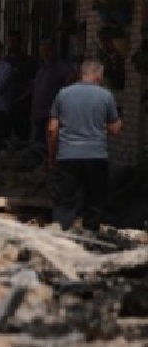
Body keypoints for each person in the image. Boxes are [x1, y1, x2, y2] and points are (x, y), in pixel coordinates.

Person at [47, 60, 121, 232]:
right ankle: (90, 235)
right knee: (95, 199)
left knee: (65, 200)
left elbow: (52, 129)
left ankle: (60, 232)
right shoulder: (106, 96)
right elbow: (115, 129)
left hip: (67, 155)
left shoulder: (63, 94)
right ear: (99, 75)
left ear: (82, 74)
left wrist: (52, 156)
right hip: (96, 155)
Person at [32, 39, 77, 145]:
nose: (45, 53)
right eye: (43, 51)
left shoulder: (59, 66)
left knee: (49, 144)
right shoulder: (42, 68)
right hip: (39, 114)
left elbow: (72, 76)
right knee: (39, 145)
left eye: (48, 50)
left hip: (51, 113)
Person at [5, 31, 36, 141]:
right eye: (9, 41)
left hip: (22, 105)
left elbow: (33, 84)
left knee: (22, 136)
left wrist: (20, 98)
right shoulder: (5, 61)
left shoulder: (28, 61)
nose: (12, 44)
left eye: (14, 41)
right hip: (5, 105)